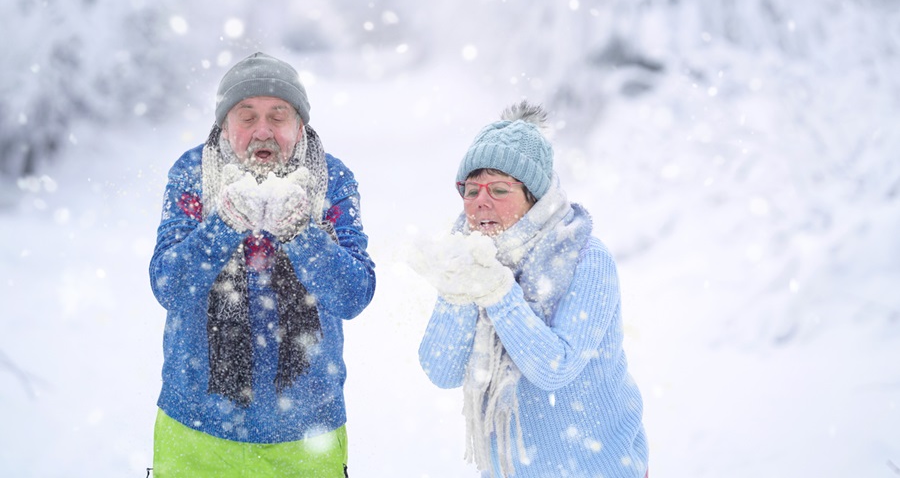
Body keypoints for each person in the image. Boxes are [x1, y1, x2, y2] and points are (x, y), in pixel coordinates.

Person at [149, 52, 376, 477]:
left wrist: (302, 235)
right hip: (195, 430)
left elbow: (354, 294)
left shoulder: (333, 182)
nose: (263, 131)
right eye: (246, 116)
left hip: (307, 437)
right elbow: (169, 286)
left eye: (278, 114)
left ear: (299, 124)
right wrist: (223, 225)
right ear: (224, 124)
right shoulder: (192, 175)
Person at [414, 101, 648, 477]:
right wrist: (459, 292)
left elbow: (556, 368)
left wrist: (499, 294)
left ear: (534, 197)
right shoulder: (471, 258)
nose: (480, 201)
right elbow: (441, 369)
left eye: (500, 189)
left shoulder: (585, 257)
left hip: (597, 467)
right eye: (471, 190)